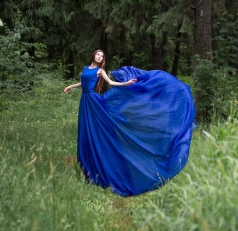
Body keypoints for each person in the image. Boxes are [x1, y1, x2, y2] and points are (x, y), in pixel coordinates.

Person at [64, 49, 196, 196]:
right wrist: (71, 86)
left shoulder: (100, 71)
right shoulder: (86, 69)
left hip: (94, 102)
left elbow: (111, 83)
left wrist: (126, 83)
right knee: (86, 133)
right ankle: (89, 170)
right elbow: (83, 82)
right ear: (93, 55)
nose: (100, 57)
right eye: (98, 55)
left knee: (97, 132)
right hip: (85, 102)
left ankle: (102, 171)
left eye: (102, 56)